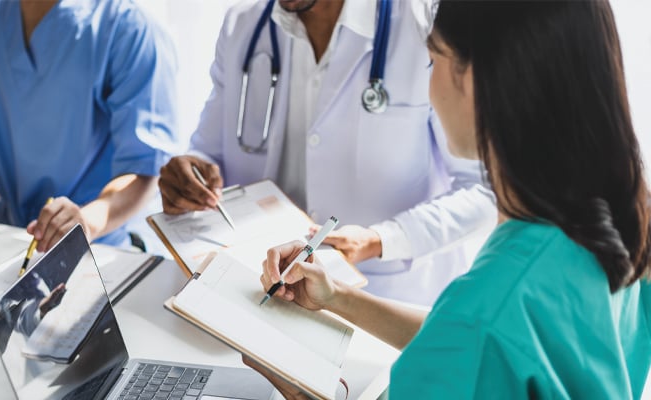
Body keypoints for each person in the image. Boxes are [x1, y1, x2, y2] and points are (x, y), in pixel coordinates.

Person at [249, 0, 651, 398]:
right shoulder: (617, 226)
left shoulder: (487, 314)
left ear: (474, 80)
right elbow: (475, 344)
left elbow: (475, 339)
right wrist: (340, 298)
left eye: (434, 59)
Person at [158, 0, 496, 305]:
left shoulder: (426, 25)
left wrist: (381, 239)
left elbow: (485, 189)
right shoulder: (242, 26)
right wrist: (191, 176)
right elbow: (210, 153)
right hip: (260, 293)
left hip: (384, 301)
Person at [0, 0, 181, 252]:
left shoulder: (127, 28)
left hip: (102, 241)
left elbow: (142, 169)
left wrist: (86, 222)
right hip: (11, 231)